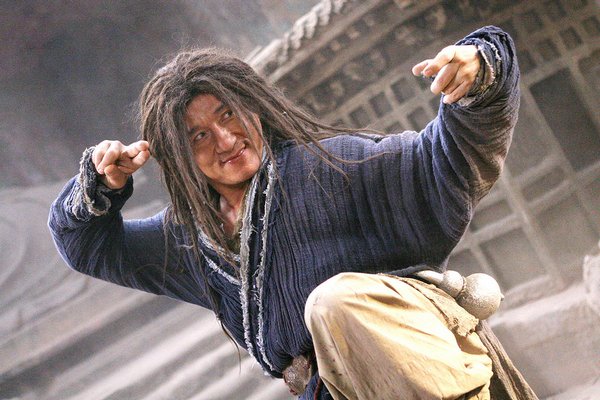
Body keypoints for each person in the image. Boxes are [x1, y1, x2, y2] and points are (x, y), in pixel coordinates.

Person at [49, 26, 535, 399]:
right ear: (179, 155)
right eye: (198, 135)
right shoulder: (191, 241)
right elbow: (85, 245)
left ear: (253, 108)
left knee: (333, 303)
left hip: (426, 374)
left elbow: (449, 162)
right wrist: (100, 184)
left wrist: (481, 68)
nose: (225, 139)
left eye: (228, 113)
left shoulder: (335, 165)